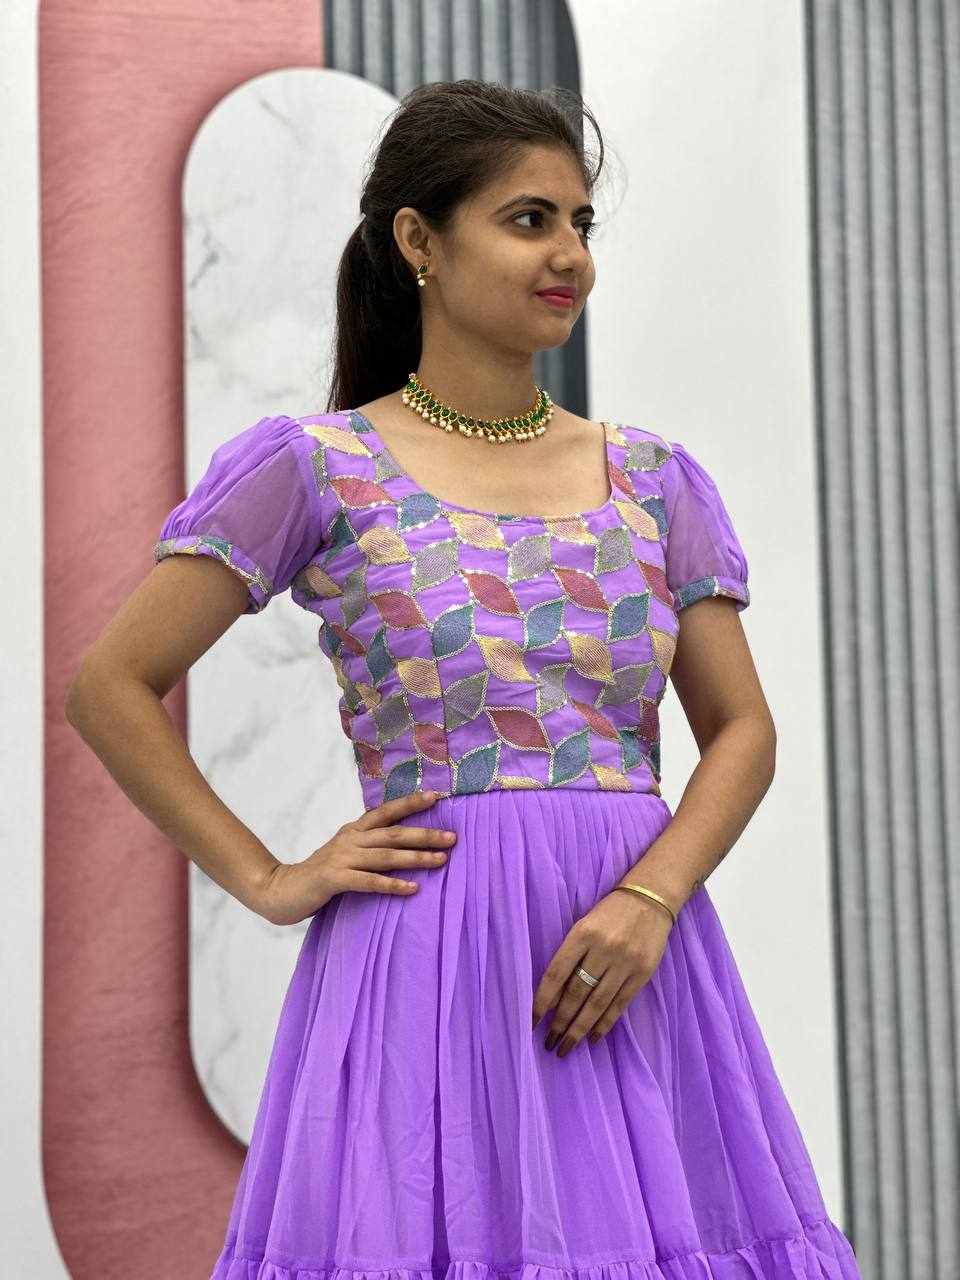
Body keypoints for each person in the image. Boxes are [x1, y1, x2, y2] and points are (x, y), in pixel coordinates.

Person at [66, 80, 862, 1279]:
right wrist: (269, 878)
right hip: (428, 968)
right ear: (419, 242)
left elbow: (742, 726)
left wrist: (651, 900)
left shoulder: (654, 479)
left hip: (629, 960)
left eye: (580, 224)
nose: (569, 255)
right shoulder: (319, 467)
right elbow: (112, 684)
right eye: (529, 220)